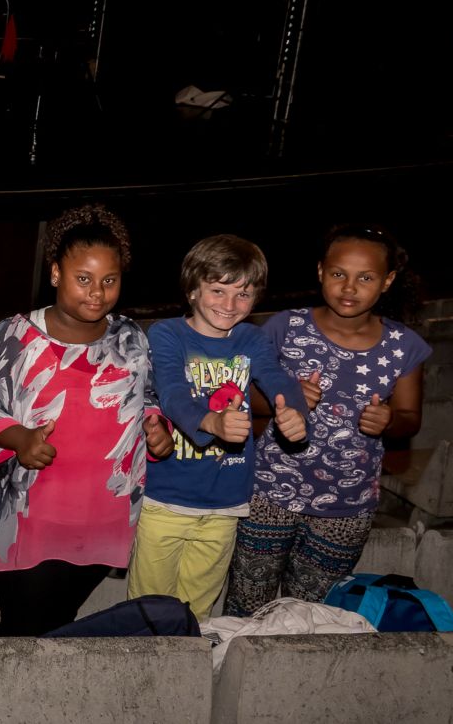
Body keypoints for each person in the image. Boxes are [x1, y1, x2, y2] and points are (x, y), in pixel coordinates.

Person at [0, 206, 174, 636]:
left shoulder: (130, 337)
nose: (97, 293)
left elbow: (148, 397)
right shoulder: (10, 337)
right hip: (27, 516)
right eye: (83, 279)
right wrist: (19, 437)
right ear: (56, 273)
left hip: (101, 517)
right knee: (23, 632)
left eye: (109, 280)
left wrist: (158, 427)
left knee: (59, 625)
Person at [222, 225, 429, 615]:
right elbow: (244, 399)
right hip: (269, 493)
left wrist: (388, 420)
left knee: (311, 615)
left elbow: (410, 419)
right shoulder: (286, 327)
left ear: (387, 281)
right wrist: (286, 395)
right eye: (339, 274)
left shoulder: (404, 346)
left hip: (346, 509)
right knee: (248, 606)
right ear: (320, 272)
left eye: (365, 278)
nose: (349, 287)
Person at [130, 234, 308, 620]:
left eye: (243, 295)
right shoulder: (167, 334)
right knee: (147, 608)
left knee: (198, 611)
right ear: (193, 289)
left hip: (227, 503)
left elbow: (278, 380)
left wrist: (294, 411)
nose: (229, 305)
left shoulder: (251, 338)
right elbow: (174, 393)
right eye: (217, 290)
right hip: (166, 499)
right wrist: (210, 420)